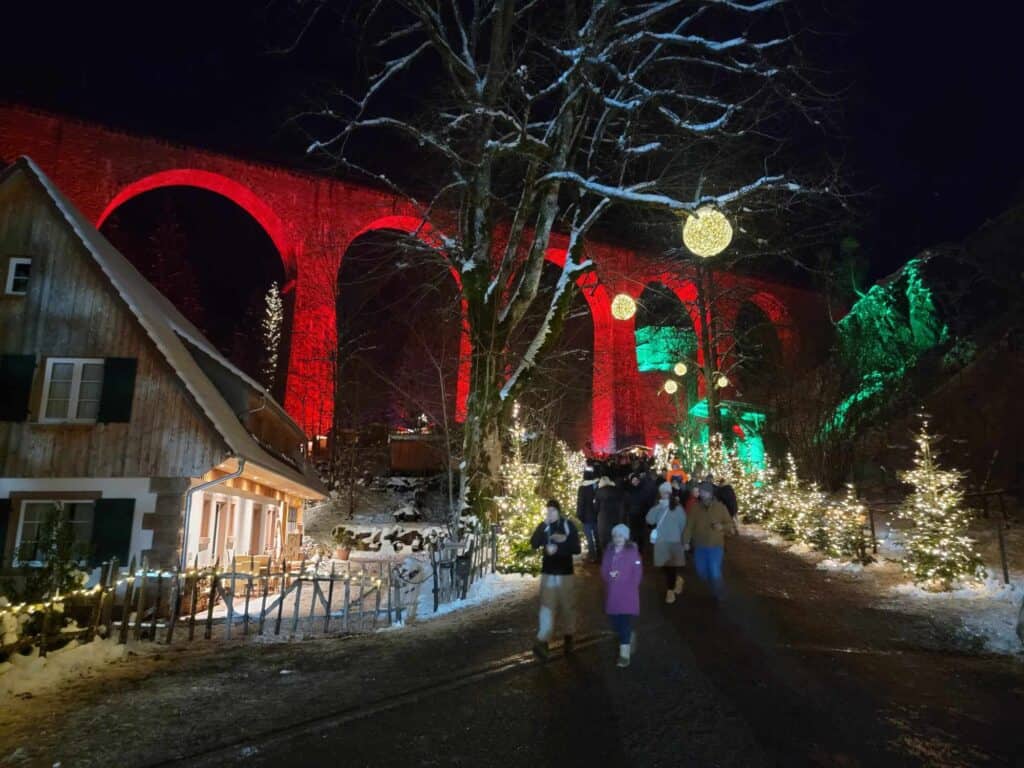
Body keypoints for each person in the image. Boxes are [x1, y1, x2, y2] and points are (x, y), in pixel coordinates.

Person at [529, 500, 581, 659]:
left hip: (565, 573)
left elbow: (576, 548)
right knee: (546, 607)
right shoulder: (544, 526)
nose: (550, 514)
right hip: (548, 573)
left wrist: (561, 545)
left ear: (559, 511)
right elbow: (533, 543)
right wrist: (541, 528)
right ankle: (543, 642)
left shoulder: (568, 525)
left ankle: (569, 638)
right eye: (548, 511)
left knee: (567, 607)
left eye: (553, 511)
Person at [683, 482, 737, 599]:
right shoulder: (695, 508)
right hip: (700, 545)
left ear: (710, 493)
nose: (702, 494)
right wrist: (686, 541)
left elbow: (729, 524)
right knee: (701, 571)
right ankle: (713, 584)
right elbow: (689, 526)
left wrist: (721, 527)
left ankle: (720, 593)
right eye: (701, 491)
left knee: (715, 570)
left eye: (705, 491)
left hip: (715, 546)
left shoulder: (720, 508)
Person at [600, 523, 642, 668]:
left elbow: (637, 572)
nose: (618, 538)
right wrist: (609, 576)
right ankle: (629, 636)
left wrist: (628, 582)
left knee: (623, 624)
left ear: (626, 537)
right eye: (616, 535)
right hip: (613, 594)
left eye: (621, 535)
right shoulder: (609, 551)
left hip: (627, 594)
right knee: (616, 623)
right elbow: (604, 569)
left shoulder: (632, 552)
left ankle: (624, 654)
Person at [646, 486, 688, 604]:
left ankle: (670, 591)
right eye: (663, 493)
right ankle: (677, 580)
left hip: (674, 542)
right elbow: (649, 520)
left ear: (671, 494)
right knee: (664, 566)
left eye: (667, 493)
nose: (665, 495)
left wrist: (682, 539)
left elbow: (683, 524)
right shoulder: (658, 507)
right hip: (661, 542)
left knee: (671, 567)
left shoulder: (678, 508)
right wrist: (658, 507)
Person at [576, 467, 599, 561]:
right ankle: (600, 553)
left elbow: (580, 503)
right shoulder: (597, 485)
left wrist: (579, 515)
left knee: (589, 537)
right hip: (596, 515)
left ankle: (592, 556)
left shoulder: (582, 488)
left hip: (586, 516)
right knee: (597, 536)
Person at [595, 475, 622, 550]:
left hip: (603, 519)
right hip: (615, 518)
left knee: (605, 540)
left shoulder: (599, 492)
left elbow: (596, 508)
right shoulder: (616, 490)